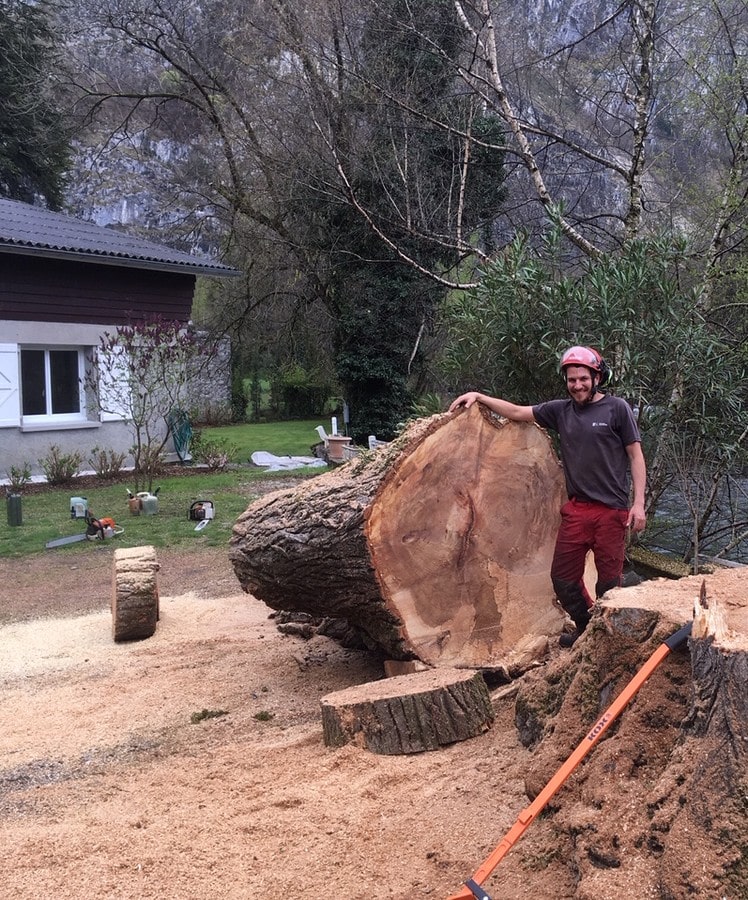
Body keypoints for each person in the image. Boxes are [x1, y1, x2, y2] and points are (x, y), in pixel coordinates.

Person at [449, 345, 647, 647]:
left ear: (597, 377)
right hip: (577, 509)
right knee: (563, 580)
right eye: (571, 380)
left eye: (583, 378)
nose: (577, 385)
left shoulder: (617, 409)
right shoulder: (560, 411)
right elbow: (518, 412)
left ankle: (606, 642)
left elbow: (636, 456)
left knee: (609, 585)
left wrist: (639, 504)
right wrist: (479, 396)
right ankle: (586, 627)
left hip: (612, 511)